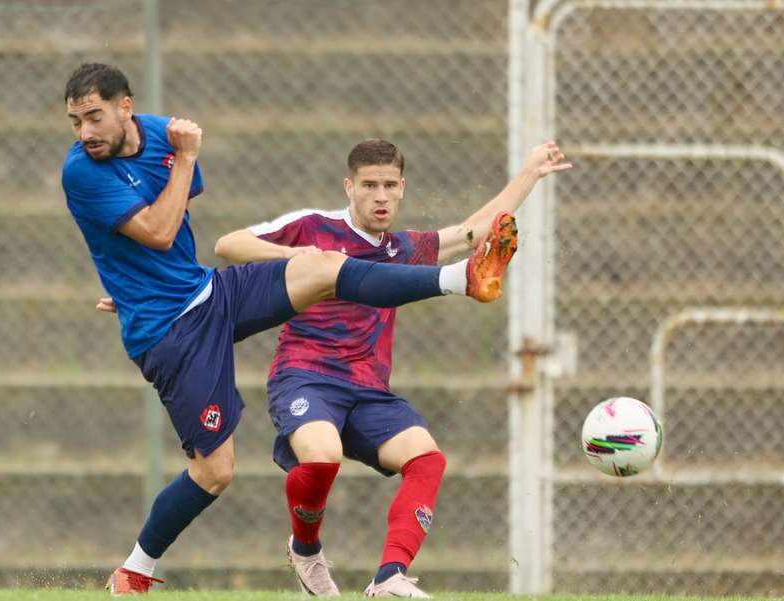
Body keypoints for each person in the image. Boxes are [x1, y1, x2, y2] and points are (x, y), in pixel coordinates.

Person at [62, 63, 521, 596]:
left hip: (210, 294)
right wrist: (143, 285)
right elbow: (162, 232)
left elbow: (172, 215)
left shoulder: (163, 132)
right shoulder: (88, 170)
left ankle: (464, 279)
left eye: (94, 117)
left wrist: (135, 281)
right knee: (215, 473)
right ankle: (134, 570)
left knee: (323, 267)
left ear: (126, 107)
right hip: (170, 332)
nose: (85, 133)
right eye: (75, 122)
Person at [212, 139, 571, 597]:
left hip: (368, 389)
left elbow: (473, 232)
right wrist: (297, 258)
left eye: (388, 185)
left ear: (402, 189)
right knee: (321, 455)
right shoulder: (313, 226)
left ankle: (390, 577)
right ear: (349, 187)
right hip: (304, 375)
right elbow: (229, 244)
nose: (379, 196)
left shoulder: (404, 249)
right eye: (368, 185)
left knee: (427, 458)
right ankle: (305, 551)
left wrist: (530, 173)